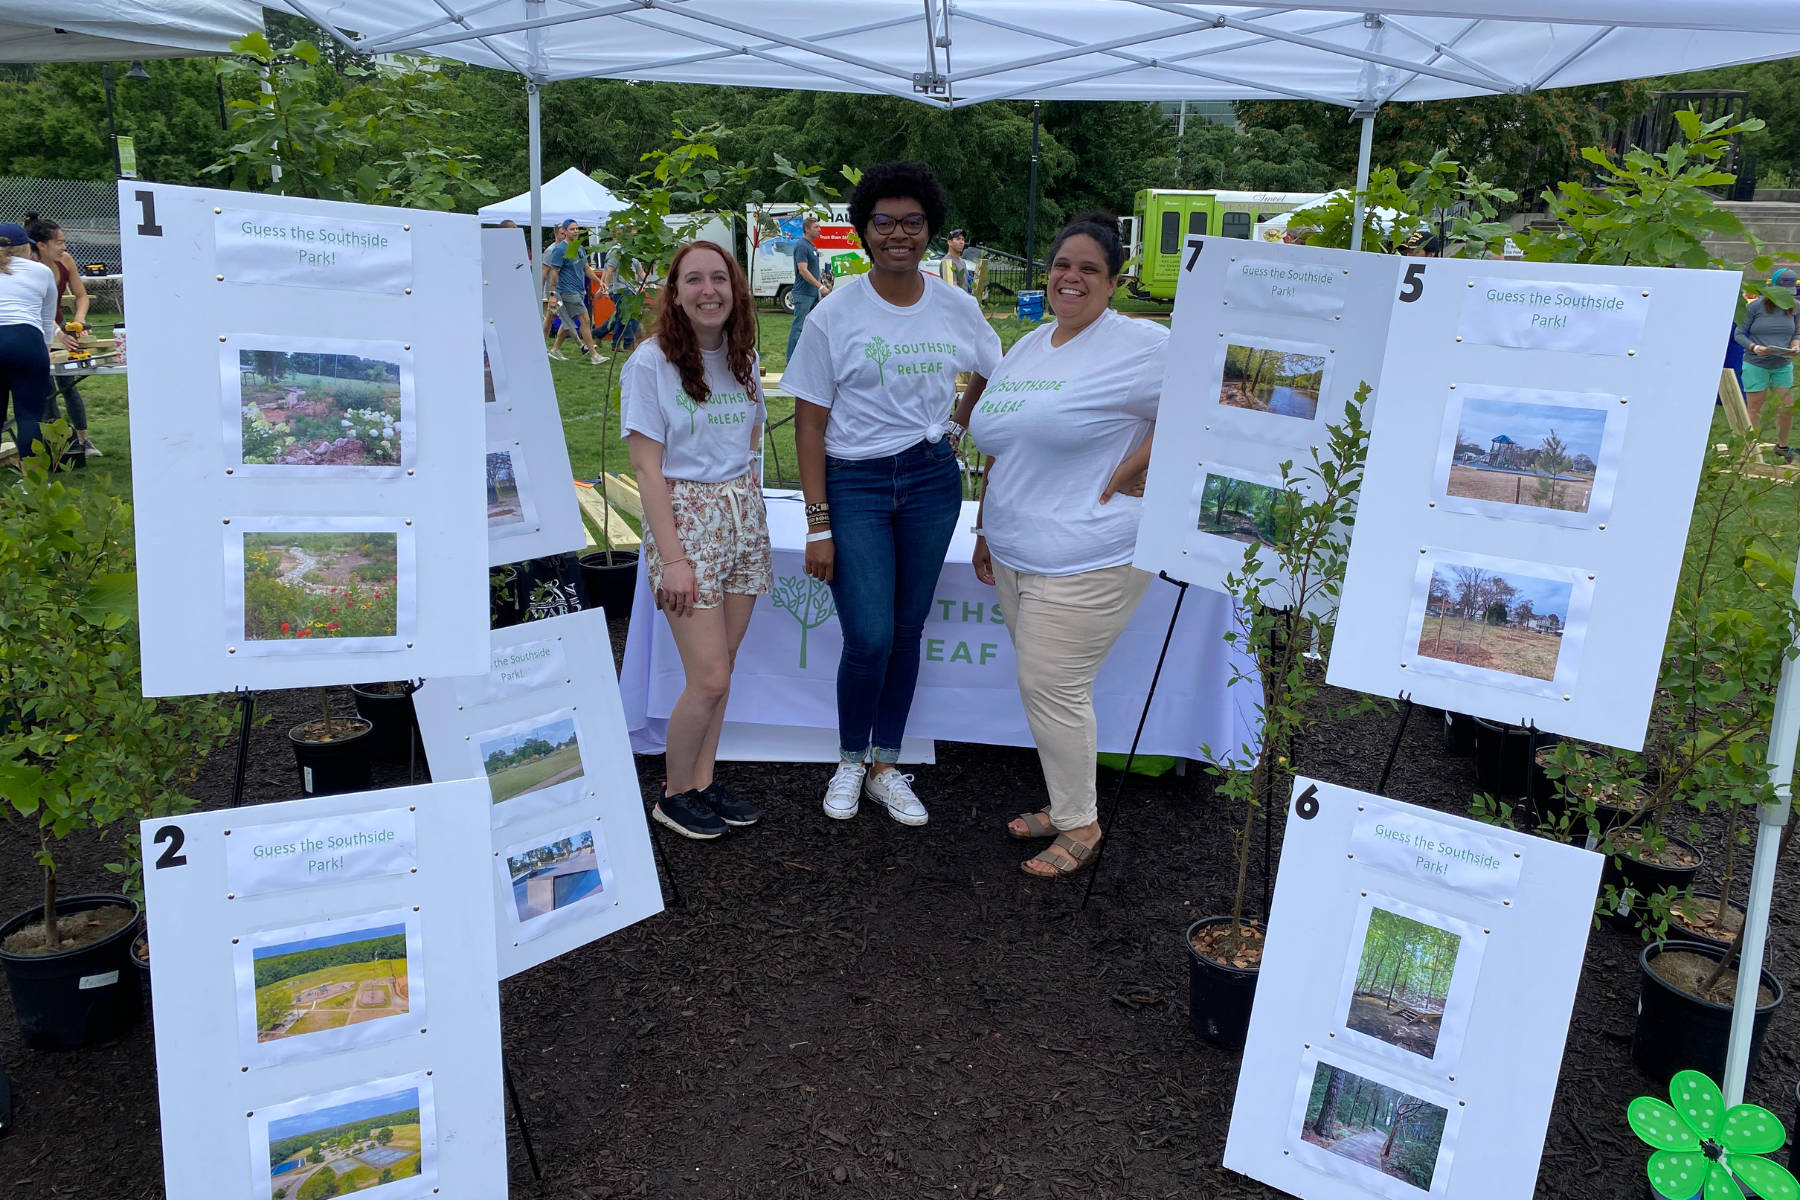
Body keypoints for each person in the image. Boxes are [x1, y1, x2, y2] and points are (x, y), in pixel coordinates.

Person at [784, 161, 1002, 826]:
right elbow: (809, 421)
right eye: (884, 222)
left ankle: (886, 766)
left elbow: (997, 369)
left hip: (932, 479)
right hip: (856, 483)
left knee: (906, 631)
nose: (899, 234)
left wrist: (958, 423)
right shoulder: (836, 311)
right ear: (863, 232)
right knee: (870, 634)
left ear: (930, 230)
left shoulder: (956, 305)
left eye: (912, 222)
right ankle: (851, 758)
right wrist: (818, 524)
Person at [970, 212, 1166, 879]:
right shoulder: (1029, 346)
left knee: (1052, 682)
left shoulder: (1141, 346)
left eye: (1088, 268)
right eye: (1062, 265)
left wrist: (1141, 464)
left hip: (1092, 550)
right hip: (1017, 549)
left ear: (1115, 282)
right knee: (1045, 689)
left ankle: (1081, 822)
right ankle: (1065, 802)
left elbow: (1212, 405)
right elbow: (1003, 443)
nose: (1071, 278)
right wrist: (984, 530)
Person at [623, 240, 771, 839]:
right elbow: (646, 470)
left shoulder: (743, 358)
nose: (708, 290)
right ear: (675, 292)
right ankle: (673, 792)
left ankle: (702, 782)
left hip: (741, 514)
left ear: (734, 289)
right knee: (707, 676)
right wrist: (675, 559)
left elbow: (751, 438)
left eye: (719, 278)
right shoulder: (651, 363)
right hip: (686, 522)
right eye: (694, 280)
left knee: (725, 667)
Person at [22, 213, 97, 456]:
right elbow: (35, 309)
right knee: (45, 387)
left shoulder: (66, 260)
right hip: (36, 327)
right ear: (41, 246)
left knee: (69, 383)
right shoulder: (30, 268)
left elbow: (81, 296)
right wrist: (55, 332)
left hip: (58, 324)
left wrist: (78, 320)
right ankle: (57, 444)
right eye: (59, 242)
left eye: (64, 241)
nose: (64, 246)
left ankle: (83, 440)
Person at [0, 222, 58, 461]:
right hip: (26, 340)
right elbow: (47, 318)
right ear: (26, 247)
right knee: (29, 416)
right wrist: (44, 348)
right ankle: (32, 486)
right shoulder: (41, 271)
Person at [1735, 267, 1800, 459]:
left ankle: (1782, 446)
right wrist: (1755, 347)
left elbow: (1796, 332)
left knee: (1786, 407)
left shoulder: (1795, 306)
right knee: (1755, 406)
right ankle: (1749, 449)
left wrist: (1795, 346)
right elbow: (1738, 334)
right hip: (1756, 363)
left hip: (1782, 363)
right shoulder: (1755, 307)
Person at [544, 220, 605, 364]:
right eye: (572, 229)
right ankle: (594, 355)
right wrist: (552, 294)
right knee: (585, 319)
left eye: (577, 228)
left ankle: (555, 350)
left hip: (577, 291)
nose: (576, 231)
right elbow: (554, 272)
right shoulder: (559, 250)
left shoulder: (579, 248)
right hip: (566, 292)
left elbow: (586, 268)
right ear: (565, 231)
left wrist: (599, 281)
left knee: (568, 322)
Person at [785, 214, 831, 361]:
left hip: (812, 294)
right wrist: (820, 286)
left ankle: (808, 359)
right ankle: (791, 361)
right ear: (806, 229)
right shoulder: (801, 246)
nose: (820, 229)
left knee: (814, 327)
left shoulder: (811, 246)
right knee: (798, 327)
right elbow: (803, 270)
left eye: (819, 226)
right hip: (803, 293)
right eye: (816, 227)